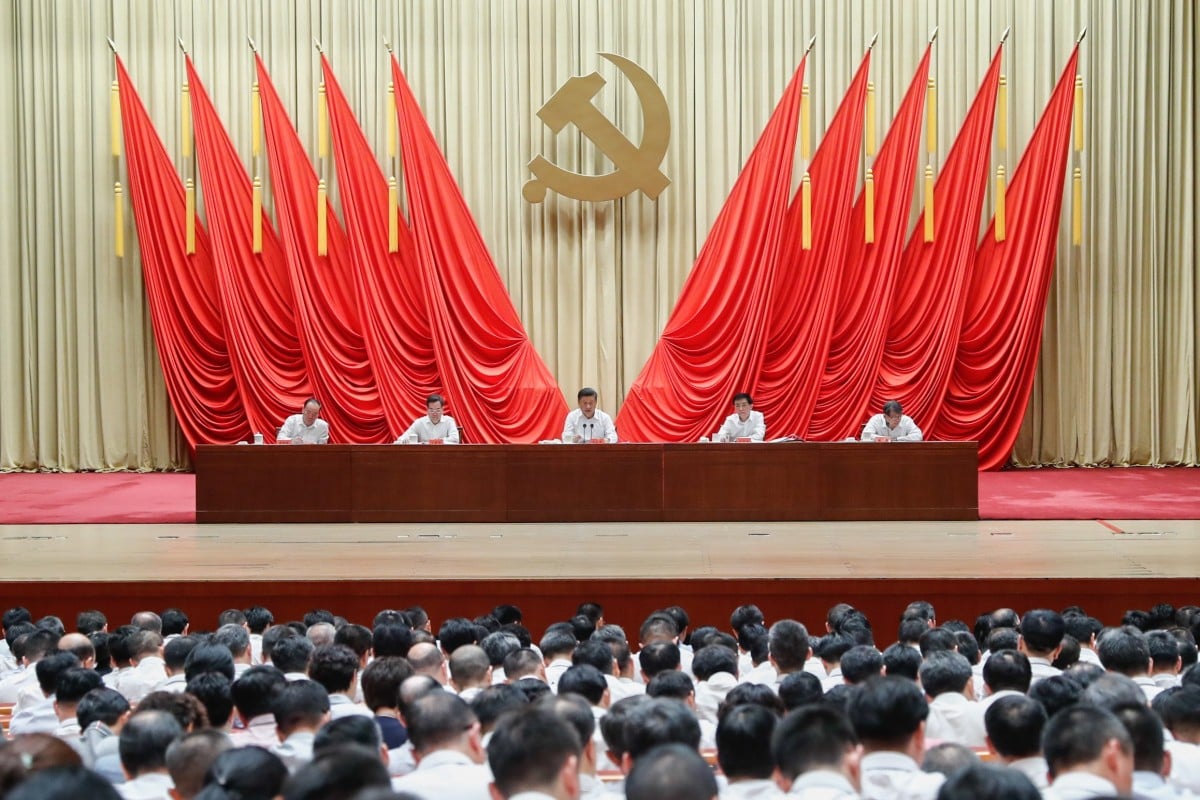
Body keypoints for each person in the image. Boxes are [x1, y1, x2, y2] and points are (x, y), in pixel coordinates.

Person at [395, 394, 459, 445]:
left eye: (438, 410)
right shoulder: (419, 422)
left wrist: (436, 442)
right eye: (431, 410)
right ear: (427, 410)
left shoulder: (449, 421)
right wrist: (403, 441)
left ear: (442, 409)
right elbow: (401, 439)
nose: (434, 413)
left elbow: (455, 439)